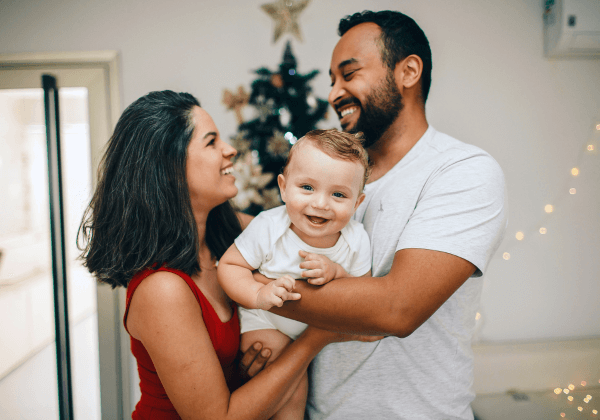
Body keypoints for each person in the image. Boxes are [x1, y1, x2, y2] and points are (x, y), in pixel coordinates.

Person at [250, 10, 507, 419]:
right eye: (332, 80)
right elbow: (278, 252)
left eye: (349, 74)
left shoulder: (462, 170)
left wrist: (251, 283)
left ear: (408, 71)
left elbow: (396, 309)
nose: (334, 93)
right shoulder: (330, 179)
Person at [78, 90, 379, 419]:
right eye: (211, 142)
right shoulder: (162, 289)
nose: (230, 150)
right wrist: (314, 338)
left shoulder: (234, 232)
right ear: (171, 167)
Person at [218, 129, 372, 419]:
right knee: (293, 389)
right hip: (266, 324)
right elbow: (230, 266)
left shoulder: (357, 240)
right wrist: (258, 294)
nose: (321, 203)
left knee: (303, 383)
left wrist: (337, 272)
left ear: (357, 203)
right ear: (283, 187)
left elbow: (363, 294)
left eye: (338, 194)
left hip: (312, 334)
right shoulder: (269, 226)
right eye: (307, 188)